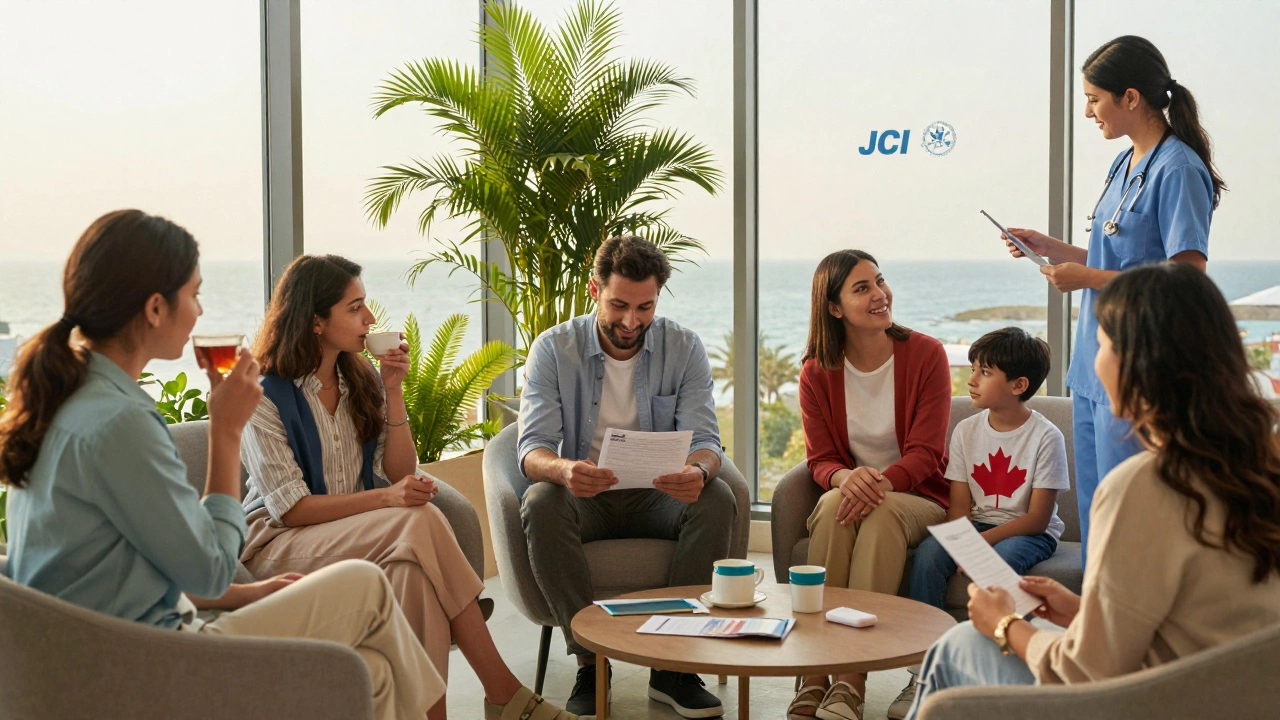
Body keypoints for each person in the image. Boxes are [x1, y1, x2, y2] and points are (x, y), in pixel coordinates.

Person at [0, 210, 443, 720]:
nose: (200, 310)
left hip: (95, 653)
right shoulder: (121, 423)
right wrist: (227, 432)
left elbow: (130, 563)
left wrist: (247, 593)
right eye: (194, 294)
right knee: (363, 586)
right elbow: (208, 568)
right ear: (155, 308)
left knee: (373, 673)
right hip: (148, 663)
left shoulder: (71, 399)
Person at [905, 263, 1280, 720]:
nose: (1094, 363)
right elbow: (1201, 620)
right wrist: (1085, 612)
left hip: (1153, 701)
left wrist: (1003, 623)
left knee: (960, 643)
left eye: (1100, 345)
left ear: (1136, 362)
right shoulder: (1260, 462)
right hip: (1235, 696)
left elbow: (1083, 673)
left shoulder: (1145, 484)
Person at [237, 254, 576, 720]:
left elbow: (399, 471)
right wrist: (386, 500)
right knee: (416, 522)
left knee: (414, 578)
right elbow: (292, 509)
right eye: (355, 308)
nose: (371, 318)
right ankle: (503, 692)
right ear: (316, 321)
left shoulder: (360, 382)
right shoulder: (264, 395)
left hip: (358, 535)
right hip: (277, 544)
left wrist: (392, 390)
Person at [1001, 35, 1222, 563]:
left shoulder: (1179, 168)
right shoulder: (1124, 164)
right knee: (1101, 510)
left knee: (1133, 515)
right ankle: (1097, 631)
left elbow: (1185, 273)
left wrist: (1087, 278)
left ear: (1130, 97)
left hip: (1139, 368)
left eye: (1094, 98)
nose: (1087, 111)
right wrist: (1052, 249)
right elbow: (1117, 252)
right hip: (1094, 364)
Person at [518, 235, 737, 719]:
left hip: (658, 498)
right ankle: (590, 663)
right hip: (586, 499)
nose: (631, 321)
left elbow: (706, 439)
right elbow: (531, 449)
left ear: (658, 297)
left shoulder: (683, 347)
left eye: (645, 307)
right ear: (594, 290)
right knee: (539, 500)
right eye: (619, 305)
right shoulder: (554, 349)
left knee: (716, 496)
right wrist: (565, 469)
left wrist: (697, 470)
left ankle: (674, 666)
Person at [791, 250, 951, 720]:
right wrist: (845, 478)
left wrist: (873, 483)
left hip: (920, 500)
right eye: (862, 288)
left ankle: (850, 679)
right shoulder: (816, 371)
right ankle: (815, 671)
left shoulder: (926, 354)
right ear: (834, 307)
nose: (880, 295)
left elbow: (928, 454)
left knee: (872, 509)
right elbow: (820, 459)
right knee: (835, 505)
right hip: (854, 495)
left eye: (880, 282)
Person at [908, 327, 1069, 610]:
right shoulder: (965, 431)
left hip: (1029, 534)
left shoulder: (1046, 436)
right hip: (978, 526)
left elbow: (1037, 520)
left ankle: (1002, 643)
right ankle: (928, 643)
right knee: (927, 555)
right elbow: (958, 507)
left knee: (1000, 560)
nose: (971, 380)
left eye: (984, 372)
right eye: (972, 369)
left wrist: (980, 544)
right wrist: (966, 542)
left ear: (1018, 385)